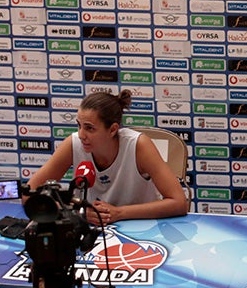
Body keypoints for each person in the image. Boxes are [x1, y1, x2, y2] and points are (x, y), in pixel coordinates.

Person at [25, 90, 188, 225]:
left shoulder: (139, 146)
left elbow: (179, 202)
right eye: (79, 125)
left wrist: (119, 213)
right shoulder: (73, 144)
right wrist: (78, 211)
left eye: (89, 128)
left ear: (112, 130)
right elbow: (29, 195)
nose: (81, 135)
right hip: (91, 231)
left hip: (142, 227)